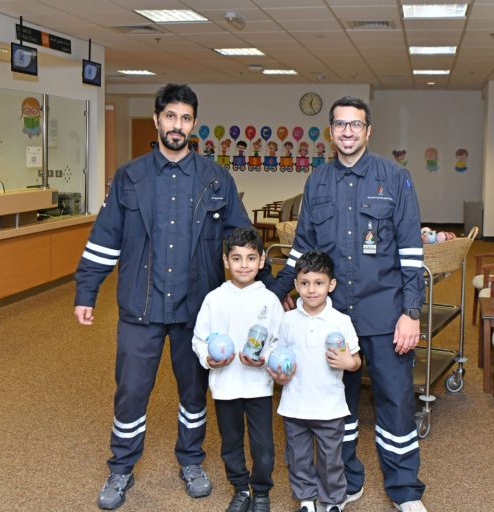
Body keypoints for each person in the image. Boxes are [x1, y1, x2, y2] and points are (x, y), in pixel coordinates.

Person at [73, 84, 273, 510]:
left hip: (196, 309)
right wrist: (86, 290)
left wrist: (270, 293)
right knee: (131, 391)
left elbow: (243, 238)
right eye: (170, 117)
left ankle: (191, 460)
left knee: (194, 392)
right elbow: (104, 239)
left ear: (193, 124)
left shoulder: (216, 178)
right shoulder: (130, 177)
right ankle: (121, 467)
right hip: (140, 306)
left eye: (185, 118)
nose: (177, 125)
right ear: (157, 120)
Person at [269, 96, 427, 512]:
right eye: (340, 124)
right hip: (333, 318)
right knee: (338, 405)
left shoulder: (395, 178)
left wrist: (411, 313)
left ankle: (405, 490)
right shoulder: (317, 182)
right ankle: (346, 480)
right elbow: (302, 250)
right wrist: (274, 291)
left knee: (396, 402)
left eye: (356, 124)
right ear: (331, 131)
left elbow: (411, 253)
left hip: (385, 313)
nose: (348, 132)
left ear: (368, 130)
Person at [192, 227, 284, 512]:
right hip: (225, 386)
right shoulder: (214, 299)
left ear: (261, 261)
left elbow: (280, 342)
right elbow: (199, 339)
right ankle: (241, 488)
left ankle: (261, 491)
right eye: (236, 258)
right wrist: (209, 359)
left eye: (251, 258)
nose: (244, 265)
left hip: (258, 387)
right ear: (225, 261)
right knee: (230, 443)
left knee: (263, 446)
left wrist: (264, 358)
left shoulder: (269, 300)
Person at [270, 250, 361, 512]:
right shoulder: (287, 320)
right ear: (296, 284)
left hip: (329, 407)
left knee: (330, 459)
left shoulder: (341, 321)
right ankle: (306, 499)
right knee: (297, 457)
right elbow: (278, 356)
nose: (311, 290)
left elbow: (356, 360)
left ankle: (332, 500)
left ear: (331, 285)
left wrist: (349, 363)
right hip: (294, 406)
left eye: (319, 283)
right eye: (305, 283)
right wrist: (278, 374)